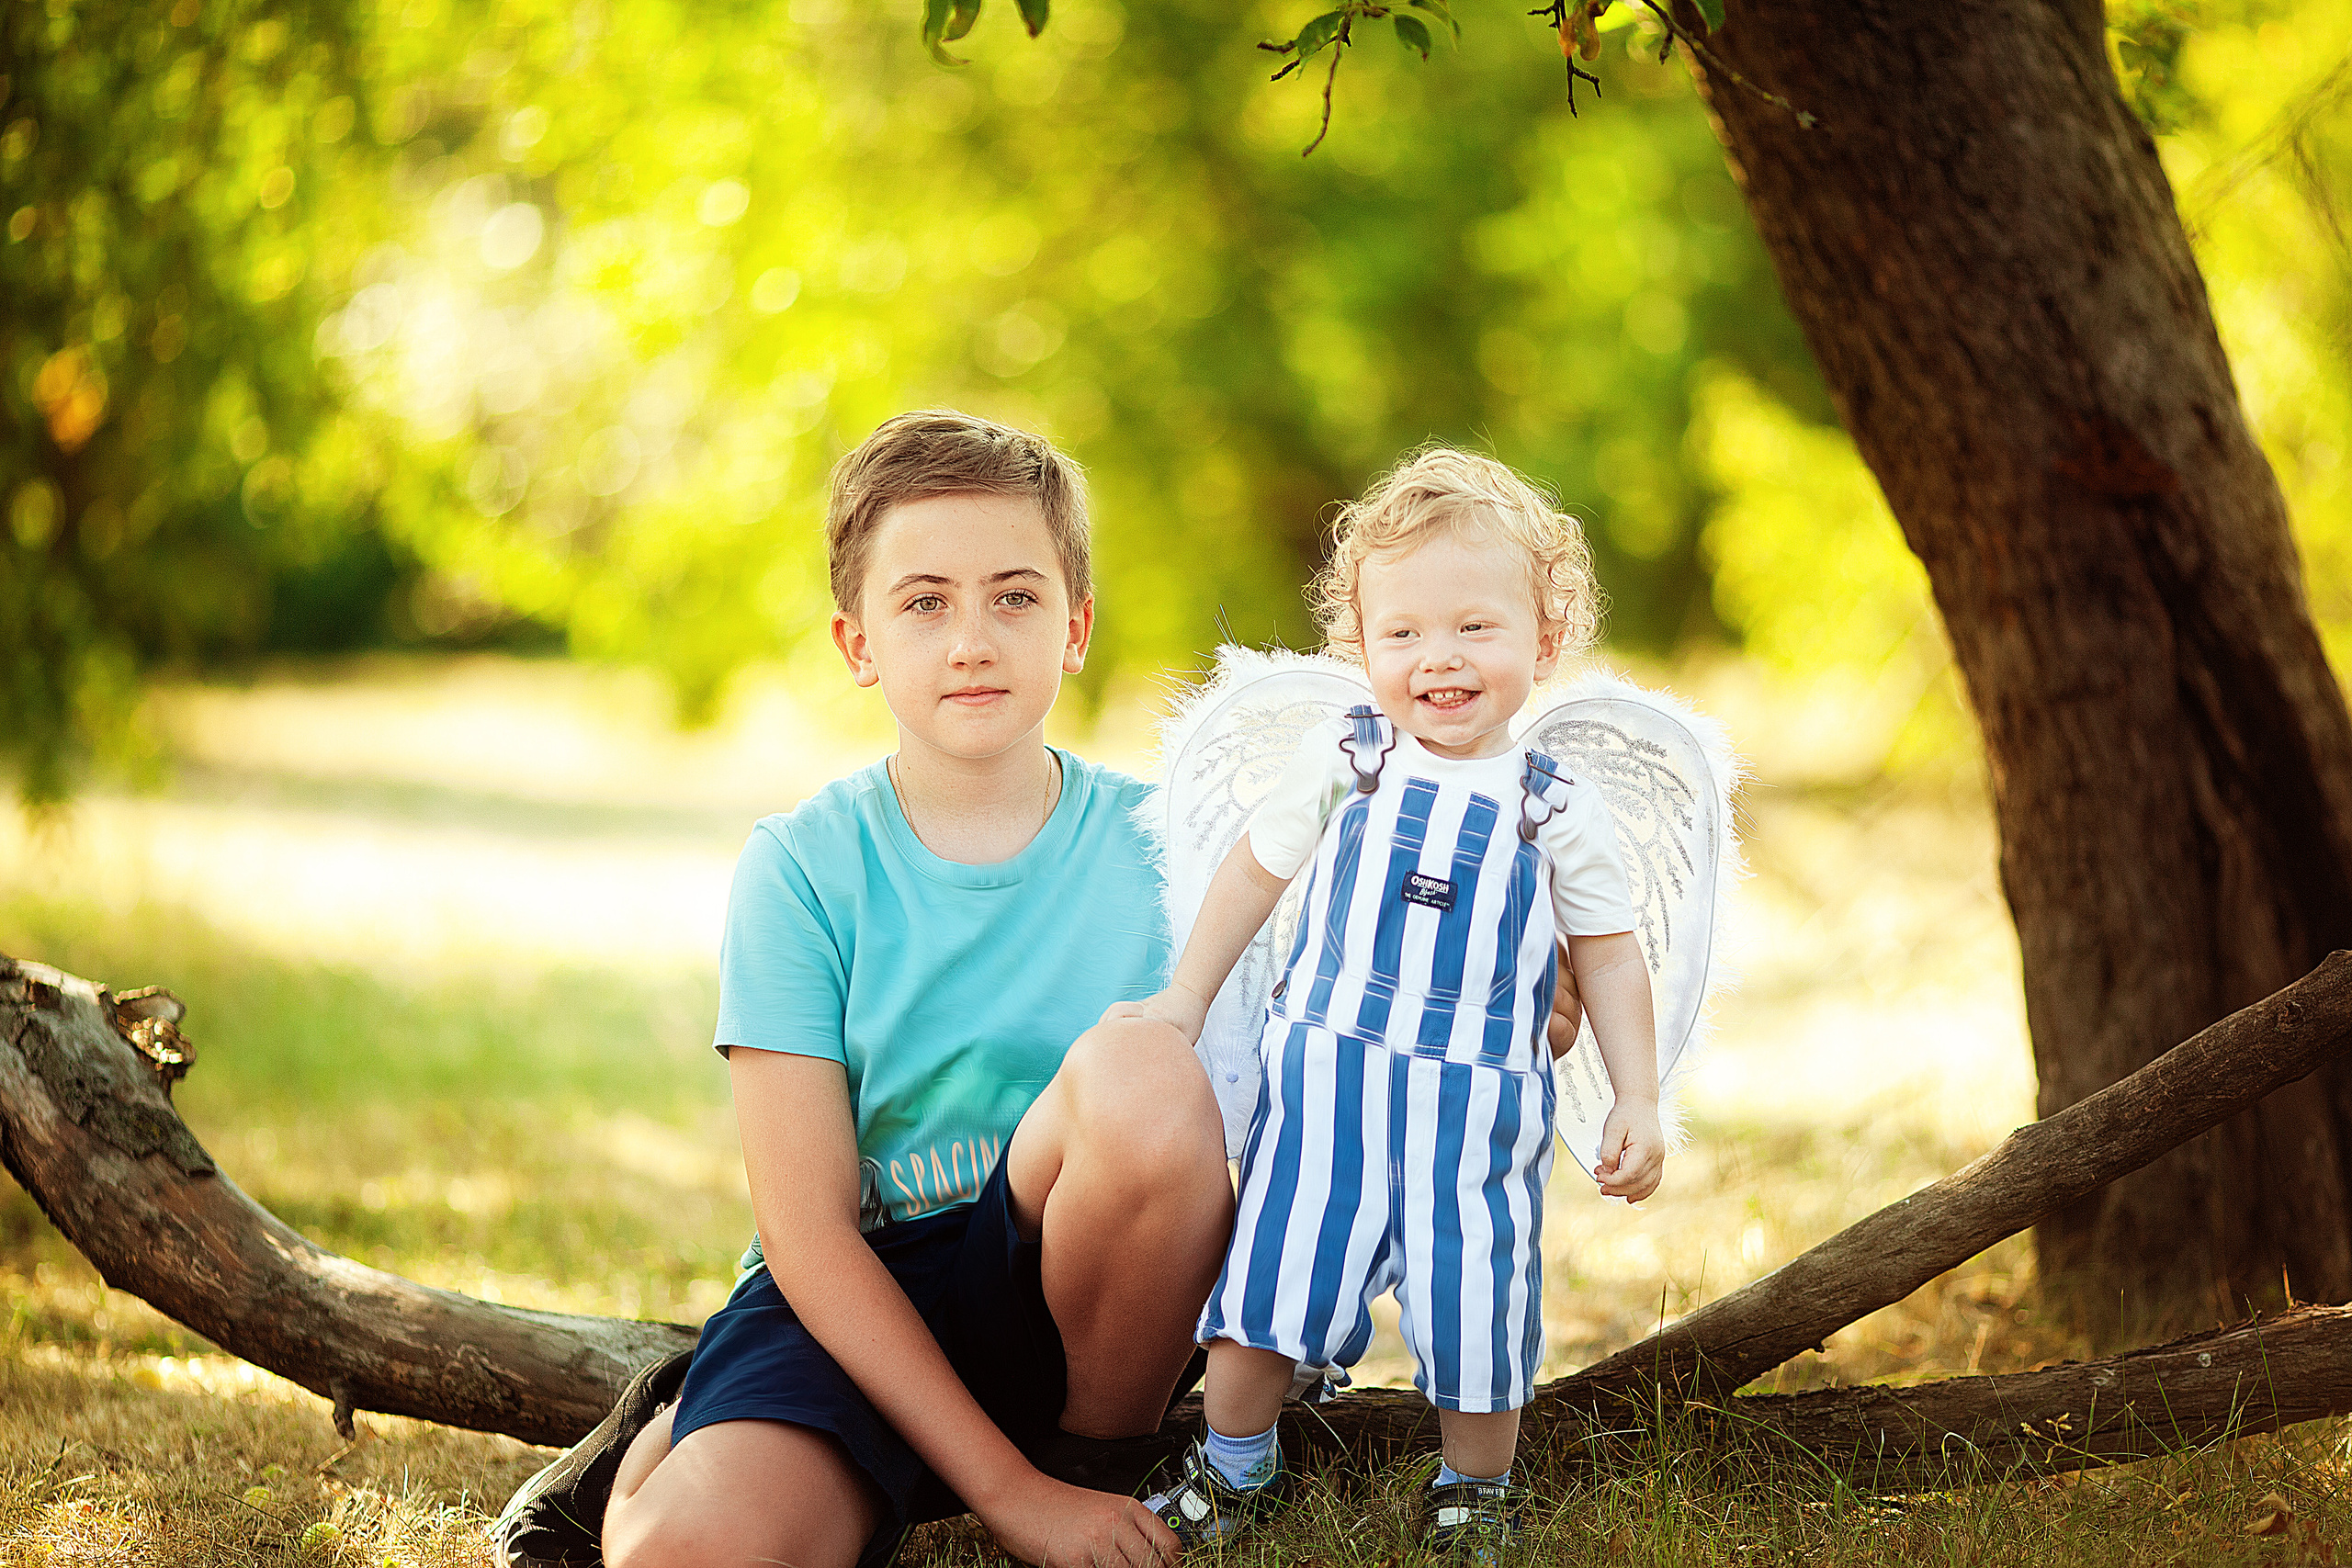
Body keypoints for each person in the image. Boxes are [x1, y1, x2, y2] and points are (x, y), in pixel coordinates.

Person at [492, 411, 1232, 1568]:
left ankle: (1095, 1465)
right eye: (925, 603)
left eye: (1015, 597)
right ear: (858, 644)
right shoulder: (801, 867)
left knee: (1142, 1072)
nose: (972, 641)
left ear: (1077, 627)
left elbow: (1301, 1075)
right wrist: (1005, 1495)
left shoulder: (1178, 847)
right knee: (686, 1556)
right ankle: (664, 1447)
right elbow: (808, 1233)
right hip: (856, 1300)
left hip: (1075, 1291)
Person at [1120, 448, 1664, 1555]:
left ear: (1545, 638)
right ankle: (1236, 1465)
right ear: (1359, 646)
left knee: (1478, 1310)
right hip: (1326, 1095)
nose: (1438, 657)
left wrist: (1637, 1096)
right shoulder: (1348, 760)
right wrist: (1185, 998)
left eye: (1474, 626)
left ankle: (1476, 1487)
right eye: (1403, 632)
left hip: (1478, 1119)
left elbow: (1610, 958)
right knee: (1267, 1286)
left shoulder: (1553, 805)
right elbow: (1251, 876)